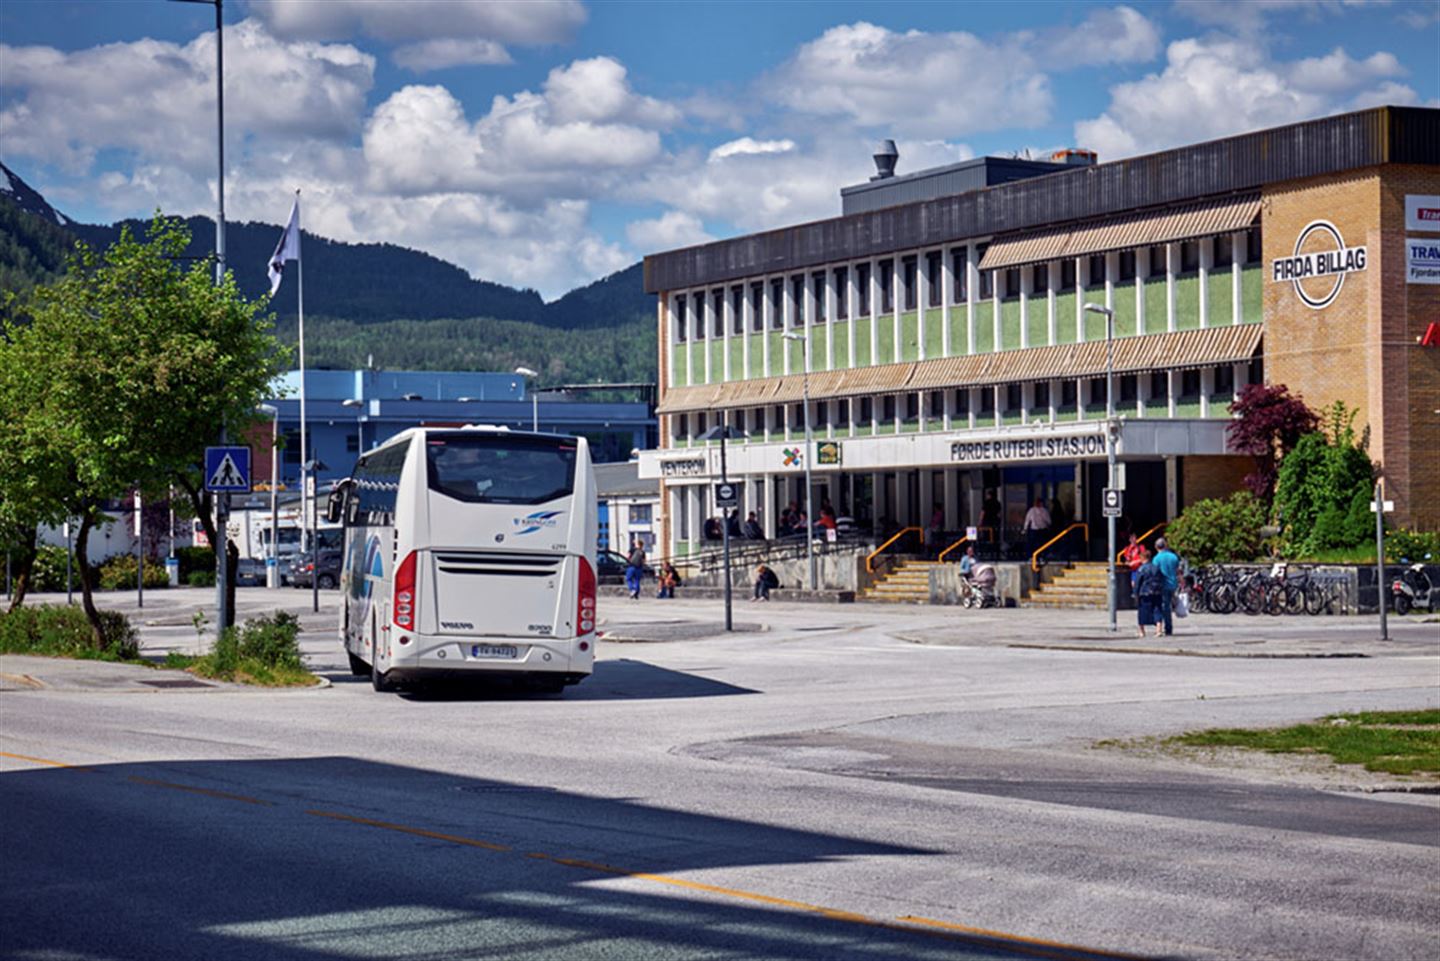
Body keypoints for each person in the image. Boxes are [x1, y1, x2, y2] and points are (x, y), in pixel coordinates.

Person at [1153, 537, 1182, 636]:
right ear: (1165, 545)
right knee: (1168, 606)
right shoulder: (1173, 557)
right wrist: (1182, 582)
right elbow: (1178, 571)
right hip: (1173, 584)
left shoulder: (1156, 558)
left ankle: (1165, 628)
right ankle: (1167, 627)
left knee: (1164, 607)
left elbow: (1155, 572)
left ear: (1156, 547)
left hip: (1162, 585)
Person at [1133, 549, 1165, 638]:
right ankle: (1159, 630)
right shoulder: (1156, 567)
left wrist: (1135, 593)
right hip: (1157, 592)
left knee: (1142, 612)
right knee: (1157, 609)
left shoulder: (1141, 568)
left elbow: (1138, 582)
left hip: (1145, 592)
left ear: (1142, 558)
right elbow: (1161, 578)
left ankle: (1142, 631)